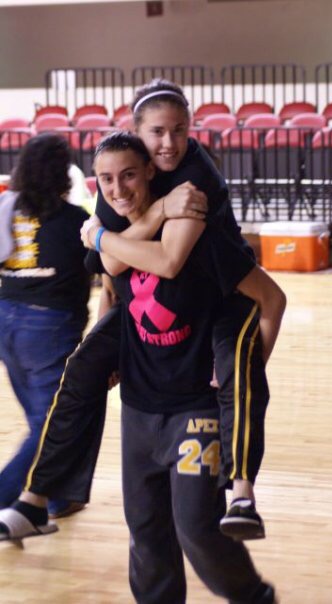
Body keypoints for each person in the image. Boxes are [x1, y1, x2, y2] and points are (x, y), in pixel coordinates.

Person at [0, 80, 284, 544]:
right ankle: (34, 499)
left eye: (179, 130)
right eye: (157, 132)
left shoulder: (194, 187)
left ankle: (242, 494)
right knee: (81, 370)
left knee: (238, 372)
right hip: (147, 302)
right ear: (137, 136)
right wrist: (104, 333)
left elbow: (167, 260)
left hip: (217, 291)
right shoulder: (120, 177)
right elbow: (112, 269)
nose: (169, 142)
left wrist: (101, 236)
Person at [82, 130, 281, 603]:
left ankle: (254, 597)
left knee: (197, 527)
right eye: (107, 179)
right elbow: (111, 295)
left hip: (196, 407)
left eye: (129, 175)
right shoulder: (114, 245)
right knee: (146, 530)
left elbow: (272, 299)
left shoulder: (200, 238)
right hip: (139, 407)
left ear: (151, 171)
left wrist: (242, 373)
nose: (118, 189)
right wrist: (108, 354)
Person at [0, 134, 90, 530]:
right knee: (50, 424)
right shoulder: (74, 220)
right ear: (63, 173)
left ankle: (56, 495)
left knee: (42, 418)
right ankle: (8, 496)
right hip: (47, 327)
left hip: (6, 320)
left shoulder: (6, 210)